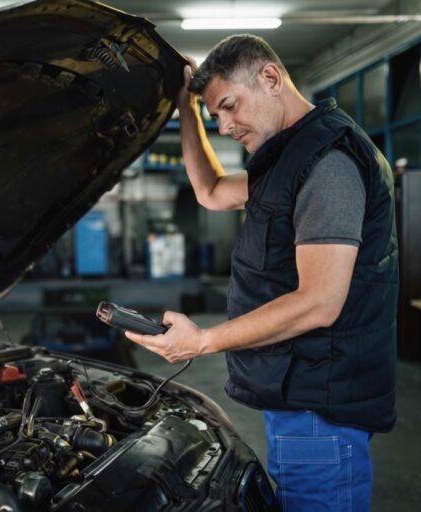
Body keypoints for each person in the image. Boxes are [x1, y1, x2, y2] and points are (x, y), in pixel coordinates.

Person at [125, 34, 398, 512]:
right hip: (297, 392)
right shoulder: (288, 160)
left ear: (270, 78)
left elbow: (320, 301)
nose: (226, 126)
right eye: (216, 116)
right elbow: (210, 191)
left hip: (320, 406)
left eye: (230, 106)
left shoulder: (328, 164)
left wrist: (203, 341)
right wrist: (187, 111)